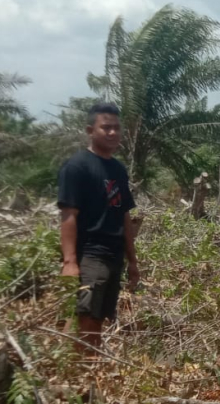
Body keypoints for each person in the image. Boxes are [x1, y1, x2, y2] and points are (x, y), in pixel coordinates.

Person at [58, 103, 139, 355]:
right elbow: (69, 216)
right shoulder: (77, 166)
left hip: (114, 254)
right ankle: (81, 373)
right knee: (86, 314)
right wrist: (70, 262)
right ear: (90, 130)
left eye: (116, 128)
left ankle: (90, 369)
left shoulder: (117, 169)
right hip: (90, 253)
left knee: (102, 315)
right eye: (106, 128)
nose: (112, 133)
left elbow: (124, 214)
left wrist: (132, 260)